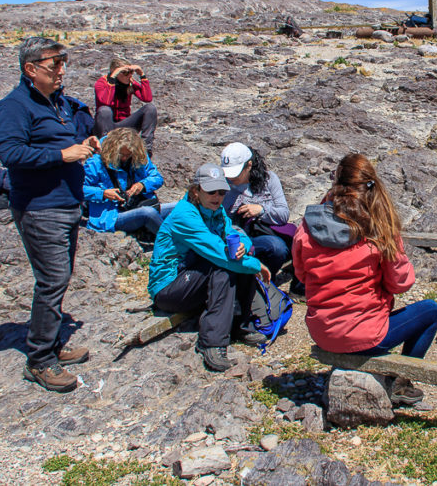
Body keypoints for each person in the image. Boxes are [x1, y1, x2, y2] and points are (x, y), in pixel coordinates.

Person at [0, 37, 100, 393]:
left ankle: (52, 344)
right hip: (39, 207)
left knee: (60, 277)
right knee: (53, 279)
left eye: (62, 62)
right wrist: (62, 156)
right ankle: (39, 361)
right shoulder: (13, 106)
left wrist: (86, 145)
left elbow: (67, 138)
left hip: (67, 203)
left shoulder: (58, 103)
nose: (61, 70)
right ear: (31, 69)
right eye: (55, 63)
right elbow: (10, 154)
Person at [292, 153, 437, 406]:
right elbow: (401, 283)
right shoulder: (378, 228)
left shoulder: (307, 227)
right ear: (370, 185)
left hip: (322, 332)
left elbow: (301, 275)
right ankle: (401, 384)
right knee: (431, 311)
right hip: (364, 335)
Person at [149, 164, 272, 372]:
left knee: (239, 258)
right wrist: (256, 265)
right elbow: (219, 254)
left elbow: (233, 233)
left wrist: (245, 246)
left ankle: (239, 325)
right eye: (211, 191)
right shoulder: (185, 215)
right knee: (224, 266)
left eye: (222, 192)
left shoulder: (216, 210)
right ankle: (212, 342)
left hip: (191, 275)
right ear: (196, 191)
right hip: (168, 287)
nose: (217, 196)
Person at [220, 142, 292, 275]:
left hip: (261, 237)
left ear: (249, 166)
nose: (230, 177)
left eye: (235, 173)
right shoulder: (221, 185)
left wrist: (261, 210)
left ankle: (266, 281)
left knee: (276, 247)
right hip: (233, 238)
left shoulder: (268, 180)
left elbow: (283, 214)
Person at [82, 128, 165, 235]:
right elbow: (79, 190)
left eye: (128, 155)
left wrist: (143, 185)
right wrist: (103, 193)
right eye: (121, 155)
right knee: (148, 213)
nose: (125, 158)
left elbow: (157, 177)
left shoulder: (138, 155)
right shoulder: (95, 163)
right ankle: (171, 244)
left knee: (182, 207)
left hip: (137, 205)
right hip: (111, 216)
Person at [93, 56, 157, 151]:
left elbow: (147, 98)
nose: (129, 75)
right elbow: (105, 102)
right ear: (115, 73)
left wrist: (142, 75)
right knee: (104, 111)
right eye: (125, 73)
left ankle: (145, 149)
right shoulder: (102, 83)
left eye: (131, 72)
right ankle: (105, 148)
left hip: (125, 126)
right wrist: (112, 81)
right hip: (107, 126)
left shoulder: (130, 83)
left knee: (150, 108)